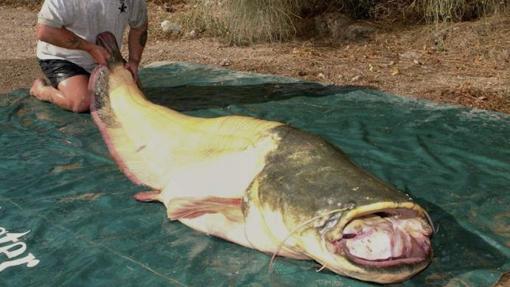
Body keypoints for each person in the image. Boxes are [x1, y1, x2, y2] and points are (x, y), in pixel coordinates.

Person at [30, 0, 148, 112]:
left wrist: (134, 62)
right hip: (63, 57)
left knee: (134, 96)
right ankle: (42, 90)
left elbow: (139, 26)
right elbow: (45, 31)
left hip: (105, 55)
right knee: (81, 102)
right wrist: (90, 48)